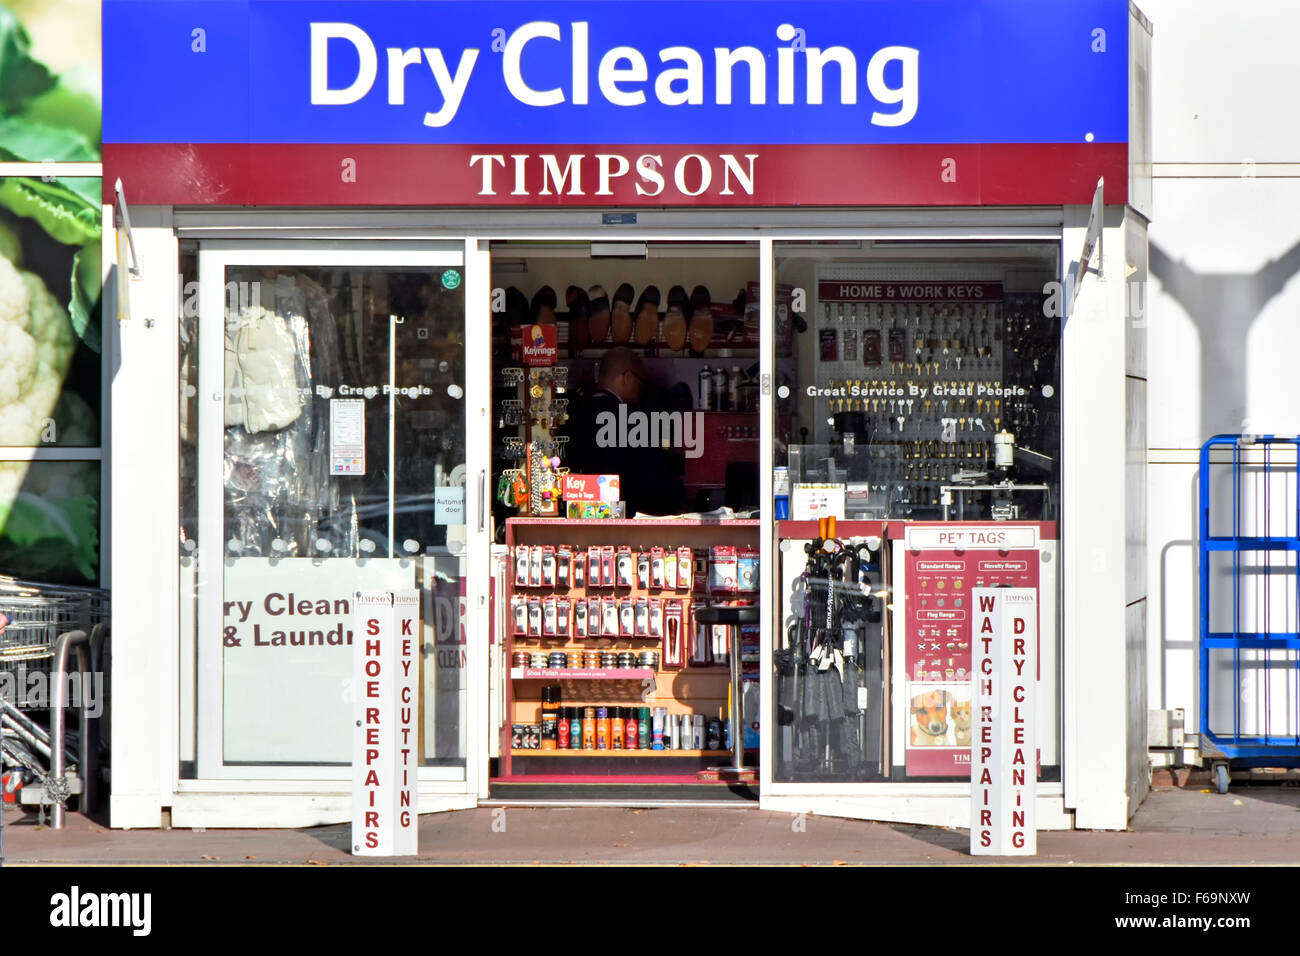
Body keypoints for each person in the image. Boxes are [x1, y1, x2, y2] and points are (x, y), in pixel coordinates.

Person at [566, 347, 683, 516]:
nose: (641, 389)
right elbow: (654, 481)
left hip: (578, 514)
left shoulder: (573, 414)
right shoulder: (633, 420)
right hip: (625, 519)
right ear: (627, 377)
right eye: (640, 382)